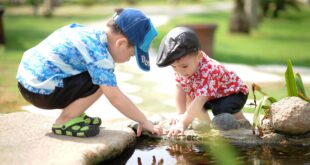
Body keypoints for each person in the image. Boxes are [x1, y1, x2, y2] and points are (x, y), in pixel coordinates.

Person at [16, 8, 162, 137]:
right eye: (132, 55)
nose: (129, 59)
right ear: (121, 43)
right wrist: (144, 121)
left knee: (98, 76)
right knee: (102, 82)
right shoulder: (99, 55)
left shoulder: (90, 34)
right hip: (40, 92)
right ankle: (65, 120)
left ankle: (75, 113)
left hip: (27, 82)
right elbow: (115, 97)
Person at [156, 27, 249, 137]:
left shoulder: (209, 70)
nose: (180, 71)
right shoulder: (182, 69)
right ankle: (207, 128)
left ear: (199, 56)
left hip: (233, 93)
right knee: (193, 105)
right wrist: (180, 114)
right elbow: (180, 89)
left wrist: (183, 123)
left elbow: (200, 100)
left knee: (220, 109)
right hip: (211, 95)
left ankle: (243, 124)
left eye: (184, 66)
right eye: (174, 67)